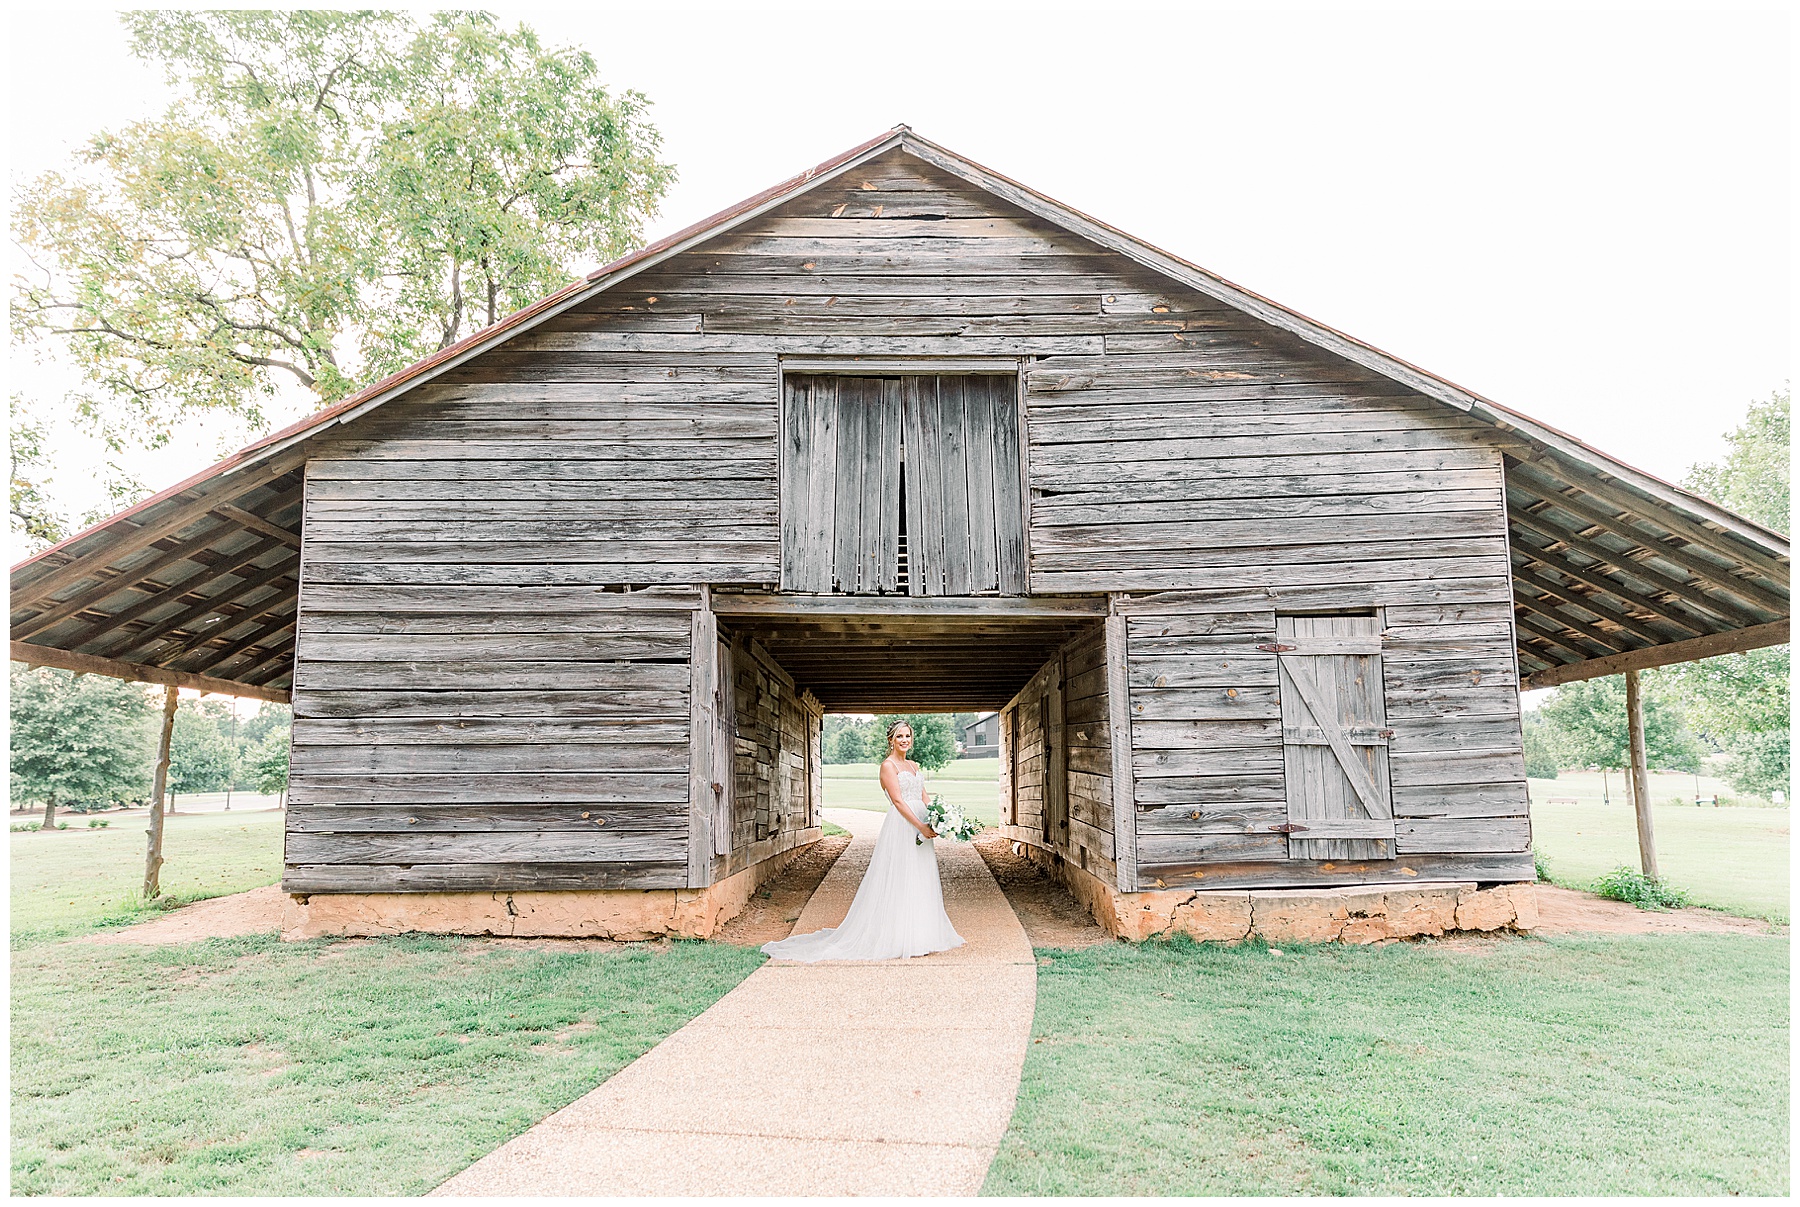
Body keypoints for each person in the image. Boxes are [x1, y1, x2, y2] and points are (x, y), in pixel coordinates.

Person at [760, 720, 964, 962]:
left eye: (908, 736)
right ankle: (898, 936)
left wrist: (940, 817)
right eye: (900, 736)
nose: (905, 740)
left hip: (922, 824)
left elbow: (923, 795)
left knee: (920, 876)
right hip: (903, 825)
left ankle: (923, 934)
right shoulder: (888, 766)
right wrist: (919, 826)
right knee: (901, 876)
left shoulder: (913, 764)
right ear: (891, 740)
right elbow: (898, 801)